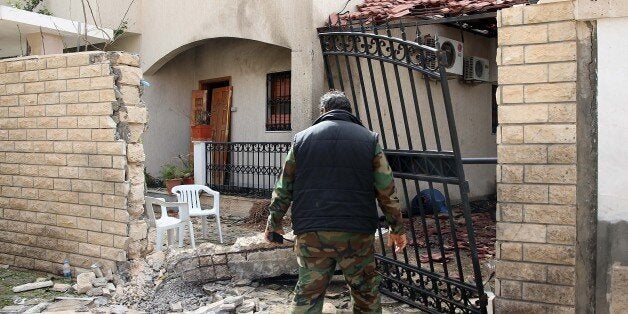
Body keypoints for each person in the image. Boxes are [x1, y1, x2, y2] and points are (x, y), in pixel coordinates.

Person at [264, 90, 407, 313]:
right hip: (357, 232)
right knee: (365, 293)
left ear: (323, 111)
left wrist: (274, 223)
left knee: (308, 294)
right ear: (349, 112)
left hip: (312, 232)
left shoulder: (301, 139)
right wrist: (396, 227)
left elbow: (284, 187)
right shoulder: (369, 139)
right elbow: (386, 188)